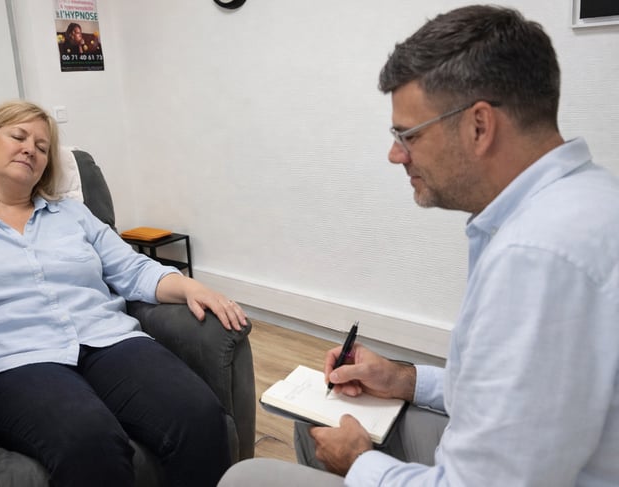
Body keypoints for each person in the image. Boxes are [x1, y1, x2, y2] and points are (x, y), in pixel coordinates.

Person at [219, 5, 619, 486]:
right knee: (321, 422)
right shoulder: (588, 199)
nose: (395, 154)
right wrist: (405, 379)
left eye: (408, 134)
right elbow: (513, 395)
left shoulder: (535, 258)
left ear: (478, 126)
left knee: (245, 478)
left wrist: (361, 463)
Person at [0, 100, 248, 487]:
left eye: (42, 147)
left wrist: (191, 287)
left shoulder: (73, 215)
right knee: (90, 442)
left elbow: (131, 269)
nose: (30, 149)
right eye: (19, 136)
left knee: (199, 417)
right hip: (15, 358)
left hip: (108, 339)